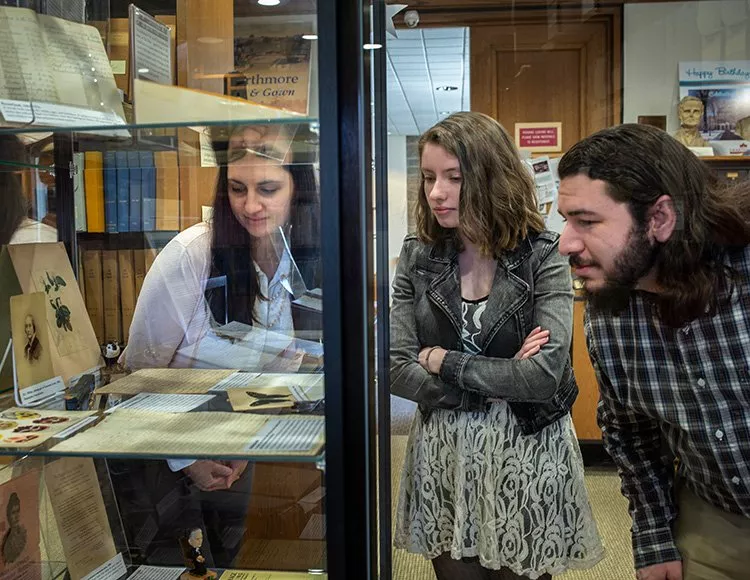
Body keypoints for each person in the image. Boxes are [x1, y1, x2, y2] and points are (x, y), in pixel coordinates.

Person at [390, 112, 603, 580]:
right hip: (443, 451)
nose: (436, 193)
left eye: (454, 178)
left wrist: (442, 360)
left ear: (491, 177)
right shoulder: (417, 254)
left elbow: (541, 377)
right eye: (428, 177)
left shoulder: (543, 254)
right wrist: (492, 381)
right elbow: (394, 364)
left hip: (527, 447)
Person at [113, 123, 321, 568]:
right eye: (236, 188)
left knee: (246, 564)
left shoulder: (305, 257)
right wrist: (186, 458)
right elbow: (138, 373)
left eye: (268, 189)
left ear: (297, 188)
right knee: (181, 566)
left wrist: (246, 444)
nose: (251, 205)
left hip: (249, 446)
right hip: (170, 453)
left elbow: (297, 359)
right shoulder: (192, 254)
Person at [556, 123, 750, 580]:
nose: (565, 242)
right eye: (566, 220)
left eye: (587, 221)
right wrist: (654, 537)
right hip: (713, 518)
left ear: (660, 218)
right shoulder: (610, 310)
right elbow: (630, 430)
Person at [2, 492, 27, 565]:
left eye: (18, 511)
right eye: (13, 512)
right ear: (8, 515)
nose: (16, 516)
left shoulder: (23, 533)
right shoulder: (6, 540)